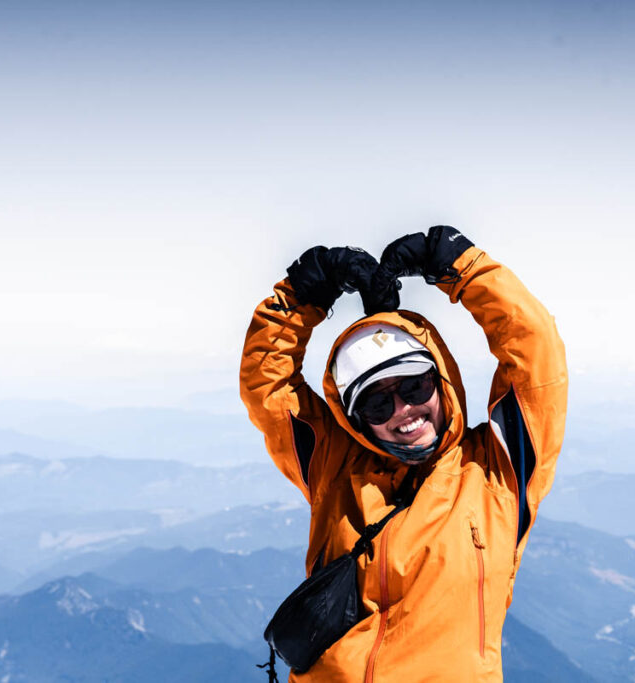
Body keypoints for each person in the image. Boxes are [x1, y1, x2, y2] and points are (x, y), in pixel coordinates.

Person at [240, 226, 568, 682]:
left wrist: (463, 269)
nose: (404, 411)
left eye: (415, 386)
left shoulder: (498, 474)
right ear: (354, 417)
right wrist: (300, 296)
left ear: (440, 379)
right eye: (377, 402)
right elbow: (268, 386)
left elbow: (536, 355)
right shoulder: (336, 470)